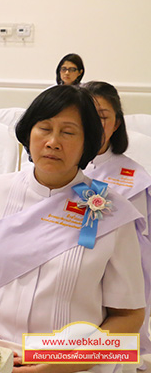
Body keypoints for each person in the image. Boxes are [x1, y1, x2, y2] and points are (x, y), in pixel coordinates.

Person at [0, 85, 145, 373]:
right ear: (29, 134)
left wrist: (55, 365)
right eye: (44, 128)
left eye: (68, 132)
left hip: (66, 364)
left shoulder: (110, 211)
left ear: (87, 143)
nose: (53, 142)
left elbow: (129, 317)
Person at [82, 81, 151, 363]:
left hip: (114, 274)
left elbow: (138, 246)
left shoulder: (132, 176)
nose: (93, 124)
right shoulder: (58, 163)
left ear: (116, 123)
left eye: (101, 116)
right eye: (85, 115)